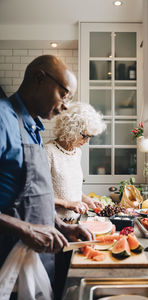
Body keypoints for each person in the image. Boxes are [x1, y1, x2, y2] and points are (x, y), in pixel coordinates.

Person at [0, 55, 94, 298]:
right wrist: (25, 229)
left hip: (39, 261)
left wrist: (60, 226)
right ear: (39, 78)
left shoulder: (33, 129)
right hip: (7, 262)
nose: (65, 105)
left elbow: (34, 197)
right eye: (64, 94)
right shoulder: (2, 119)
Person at [45, 102, 106, 222]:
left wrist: (85, 199)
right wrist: (67, 204)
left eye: (90, 137)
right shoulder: (49, 151)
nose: (87, 141)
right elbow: (38, 196)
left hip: (75, 221)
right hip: (54, 223)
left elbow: (70, 189)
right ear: (70, 128)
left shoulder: (77, 152)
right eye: (84, 136)